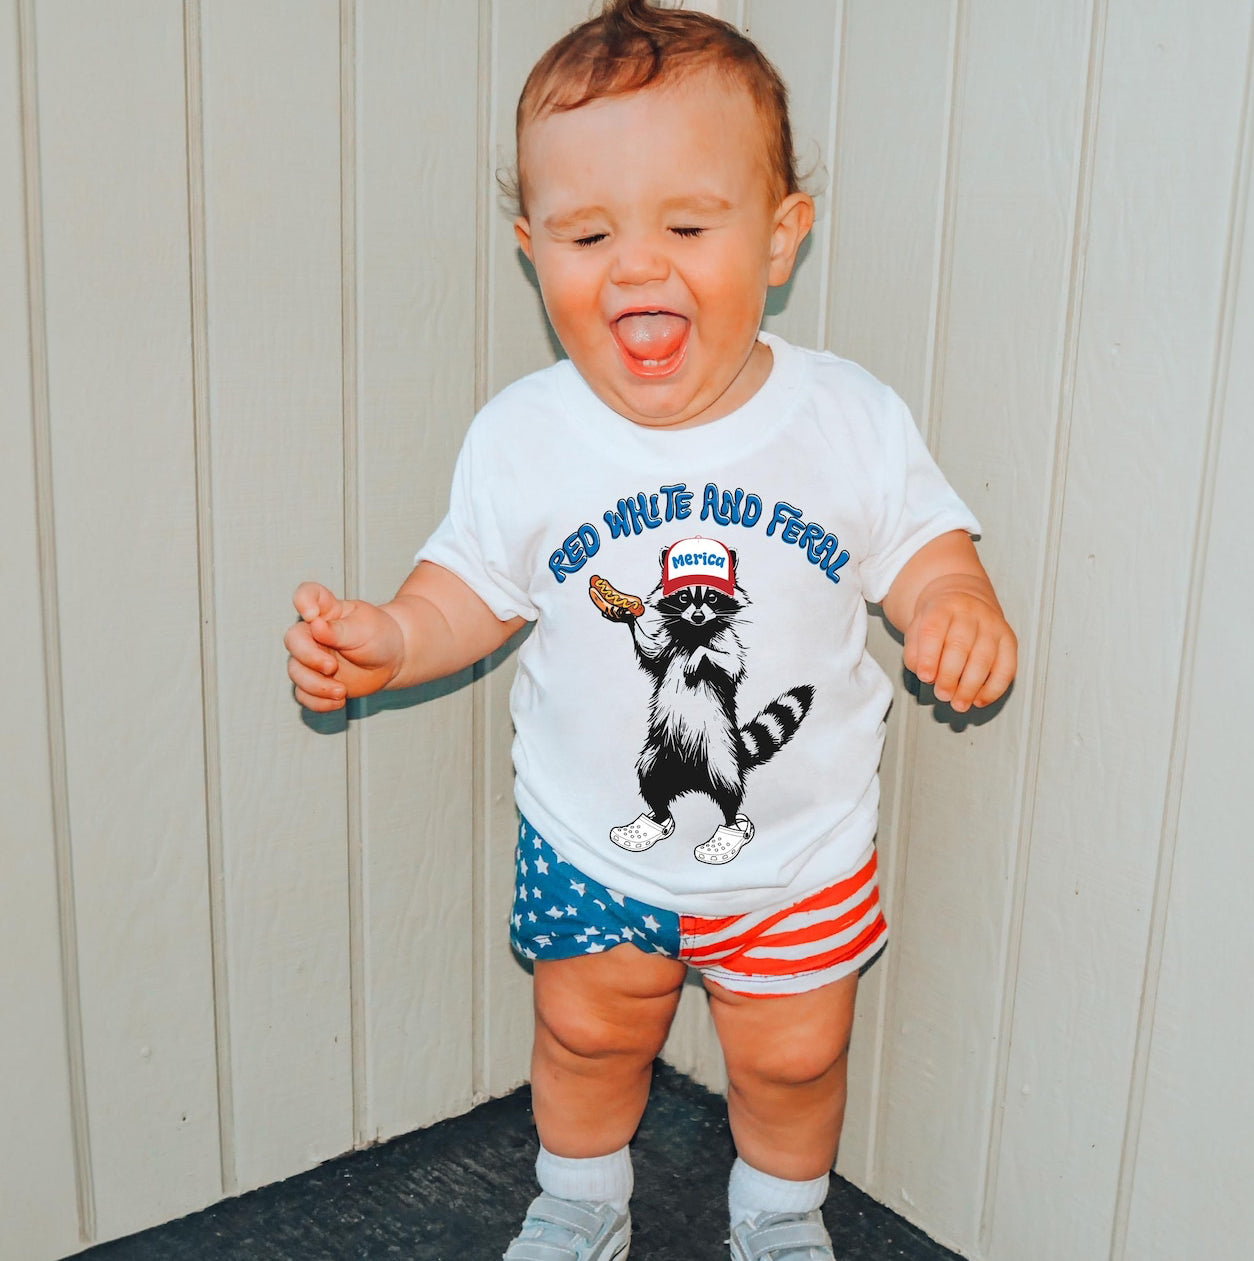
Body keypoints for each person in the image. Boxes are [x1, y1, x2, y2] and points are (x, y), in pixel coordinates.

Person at [285, 2, 1017, 1257]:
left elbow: (923, 545)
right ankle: (578, 1200)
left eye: (686, 226)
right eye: (587, 233)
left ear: (780, 237)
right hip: (590, 842)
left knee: (794, 1057)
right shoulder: (526, 435)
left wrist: (958, 604)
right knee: (585, 1032)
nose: (635, 265)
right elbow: (467, 585)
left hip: (798, 854)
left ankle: (779, 1216)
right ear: (533, 251)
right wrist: (393, 639)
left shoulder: (846, 420)